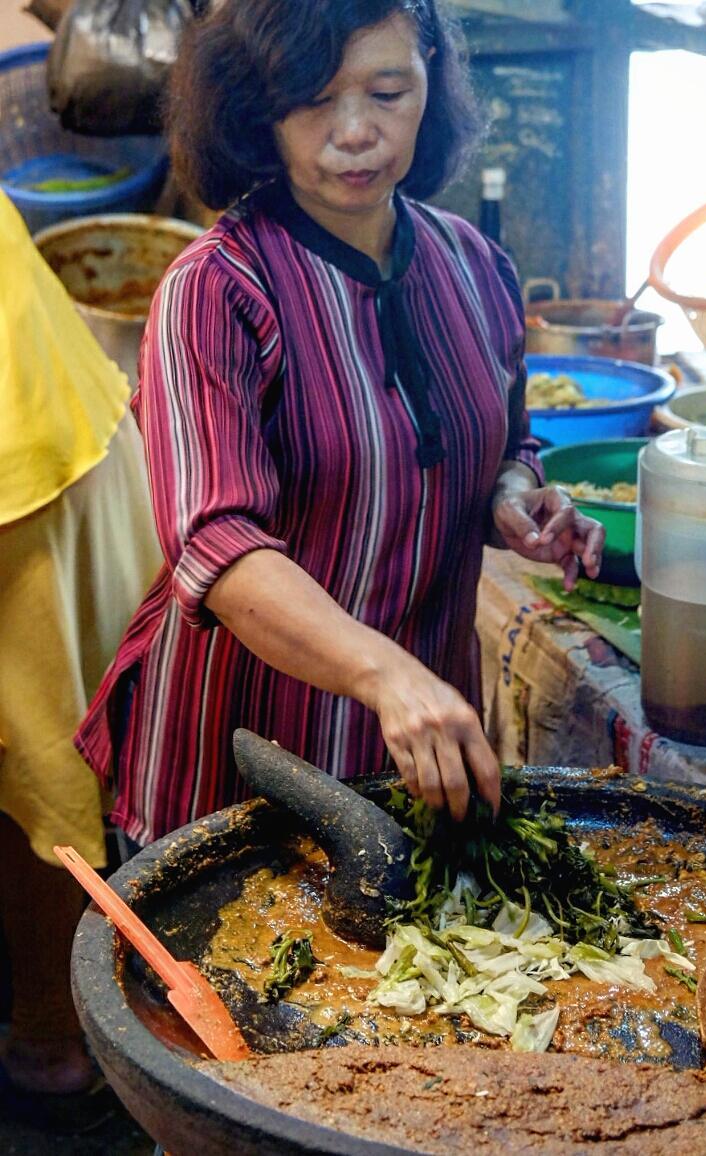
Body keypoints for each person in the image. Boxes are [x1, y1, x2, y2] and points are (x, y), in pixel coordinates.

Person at [76, 0, 604, 848]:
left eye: (387, 92)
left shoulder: (475, 265)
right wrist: (388, 673)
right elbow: (218, 546)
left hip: (410, 757)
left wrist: (514, 495)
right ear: (257, 109)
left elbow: (505, 440)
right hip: (238, 764)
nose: (355, 133)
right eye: (313, 101)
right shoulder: (215, 292)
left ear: (431, 80)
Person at [0, 190, 162, 1111]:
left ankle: (54, 1043)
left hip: (23, 475)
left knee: (36, 768)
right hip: (58, 413)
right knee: (51, 754)